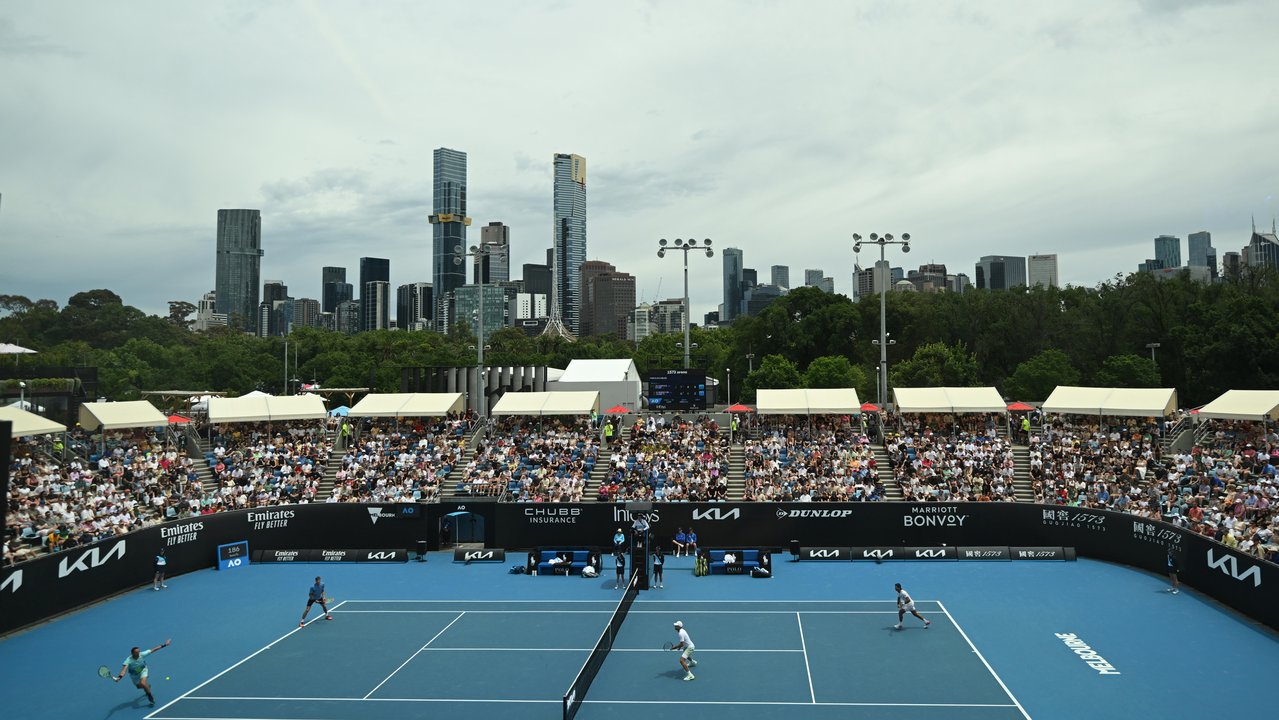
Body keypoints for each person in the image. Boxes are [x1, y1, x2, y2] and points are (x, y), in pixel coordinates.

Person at [115, 638, 171, 707]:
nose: (138, 653)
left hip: (143, 670)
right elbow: (123, 670)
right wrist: (119, 678)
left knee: (143, 683)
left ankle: (150, 696)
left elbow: (153, 649)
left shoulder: (141, 654)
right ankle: (147, 686)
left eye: (139, 651)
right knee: (139, 686)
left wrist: (165, 644)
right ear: (132, 653)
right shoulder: (128, 660)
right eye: (136, 652)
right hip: (134, 675)